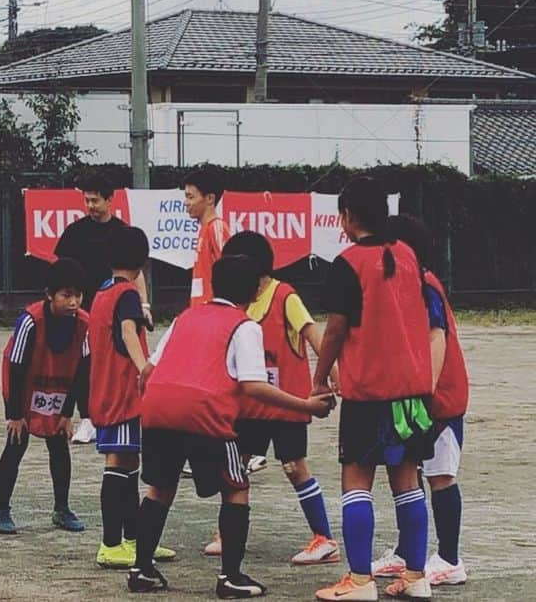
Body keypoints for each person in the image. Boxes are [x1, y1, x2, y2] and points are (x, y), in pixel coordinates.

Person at [127, 255, 335, 597]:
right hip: (203, 411)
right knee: (236, 488)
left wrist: (155, 405)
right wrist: (306, 405)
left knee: (159, 489)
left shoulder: (186, 317)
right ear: (255, 289)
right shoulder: (245, 326)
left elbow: (148, 371)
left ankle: (141, 569)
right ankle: (230, 577)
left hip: (159, 408)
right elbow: (254, 385)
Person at [313, 178, 436, 602]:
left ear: (347, 217)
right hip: (414, 391)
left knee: (357, 481)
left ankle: (361, 580)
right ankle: (417, 576)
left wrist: (319, 377)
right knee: (407, 482)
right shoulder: (409, 256)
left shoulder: (348, 263)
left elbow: (335, 330)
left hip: (370, 392)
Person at [201, 231, 339, 565]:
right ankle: (229, 532)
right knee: (236, 467)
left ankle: (324, 539)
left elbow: (312, 334)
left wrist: (333, 378)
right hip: (249, 405)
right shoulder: (238, 302)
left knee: (294, 467)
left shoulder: (285, 296)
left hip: (286, 404)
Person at [372, 214, 470, 587]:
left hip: (439, 398)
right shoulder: (401, 283)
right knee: (405, 473)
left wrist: (424, 391)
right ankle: (406, 551)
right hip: (411, 394)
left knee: (439, 474)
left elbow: (436, 336)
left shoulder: (424, 284)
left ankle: (449, 558)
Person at [88, 224, 175, 570]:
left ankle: (135, 540)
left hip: (105, 388)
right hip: (124, 391)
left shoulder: (102, 292)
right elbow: (126, 330)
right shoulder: (125, 295)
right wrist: (144, 367)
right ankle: (111, 544)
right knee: (118, 463)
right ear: (143, 262)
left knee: (129, 464)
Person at [0, 258, 91, 535]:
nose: (73, 302)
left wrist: (67, 414)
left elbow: (82, 370)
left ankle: (62, 508)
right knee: (16, 444)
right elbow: (15, 367)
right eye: (66, 295)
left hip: (58, 384)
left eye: (78, 295)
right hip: (23, 386)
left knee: (59, 445)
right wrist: (15, 414)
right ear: (49, 295)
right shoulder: (30, 321)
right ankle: (1, 510)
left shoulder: (85, 324)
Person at [53, 176, 151, 445]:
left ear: (110, 200)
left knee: (110, 364)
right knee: (81, 362)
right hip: (83, 309)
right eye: (87, 200)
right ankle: (86, 417)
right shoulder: (75, 232)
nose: (90, 205)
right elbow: (61, 269)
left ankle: (114, 413)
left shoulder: (121, 233)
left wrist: (144, 304)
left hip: (113, 307)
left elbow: (136, 273)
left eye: (95, 200)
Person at [185, 166, 231, 309]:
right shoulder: (204, 229)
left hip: (214, 312)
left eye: (190, 197)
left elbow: (231, 271)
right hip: (201, 310)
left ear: (210, 198)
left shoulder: (217, 227)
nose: (186, 203)